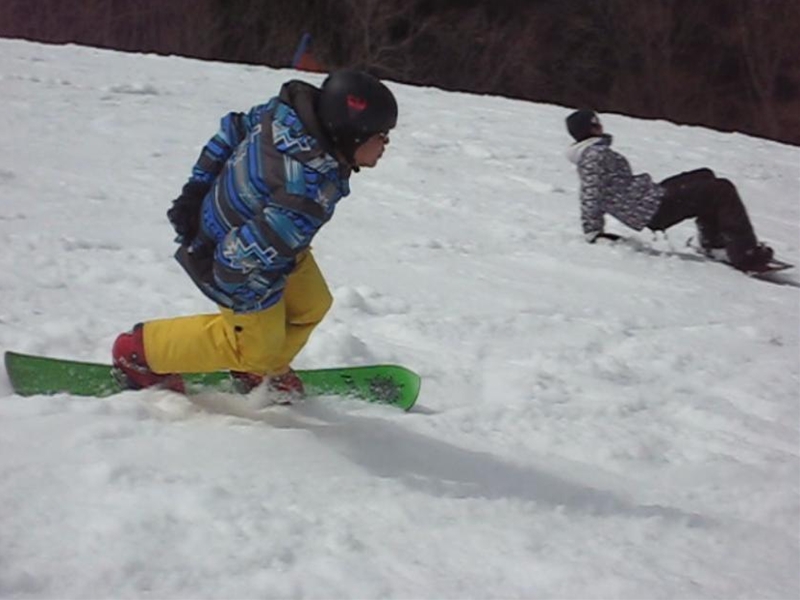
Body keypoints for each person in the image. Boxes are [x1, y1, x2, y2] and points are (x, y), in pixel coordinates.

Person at [111, 69, 398, 399]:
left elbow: (232, 130)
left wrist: (197, 187)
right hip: (237, 265)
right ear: (352, 135)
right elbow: (242, 260)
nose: (385, 145)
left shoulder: (284, 120)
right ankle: (141, 354)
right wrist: (228, 278)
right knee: (251, 346)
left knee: (312, 305)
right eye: (381, 136)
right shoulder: (303, 194)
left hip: (270, 246)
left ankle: (261, 368)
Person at [564, 109, 774, 272]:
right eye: (596, 122)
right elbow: (590, 192)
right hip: (651, 209)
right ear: (590, 128)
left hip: (649, 197)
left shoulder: (595, 153)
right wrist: (592, 230)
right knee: (721, 189)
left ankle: (714, 243)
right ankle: (745, 254)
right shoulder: (594, 157)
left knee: (704, 176)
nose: (601, 125)